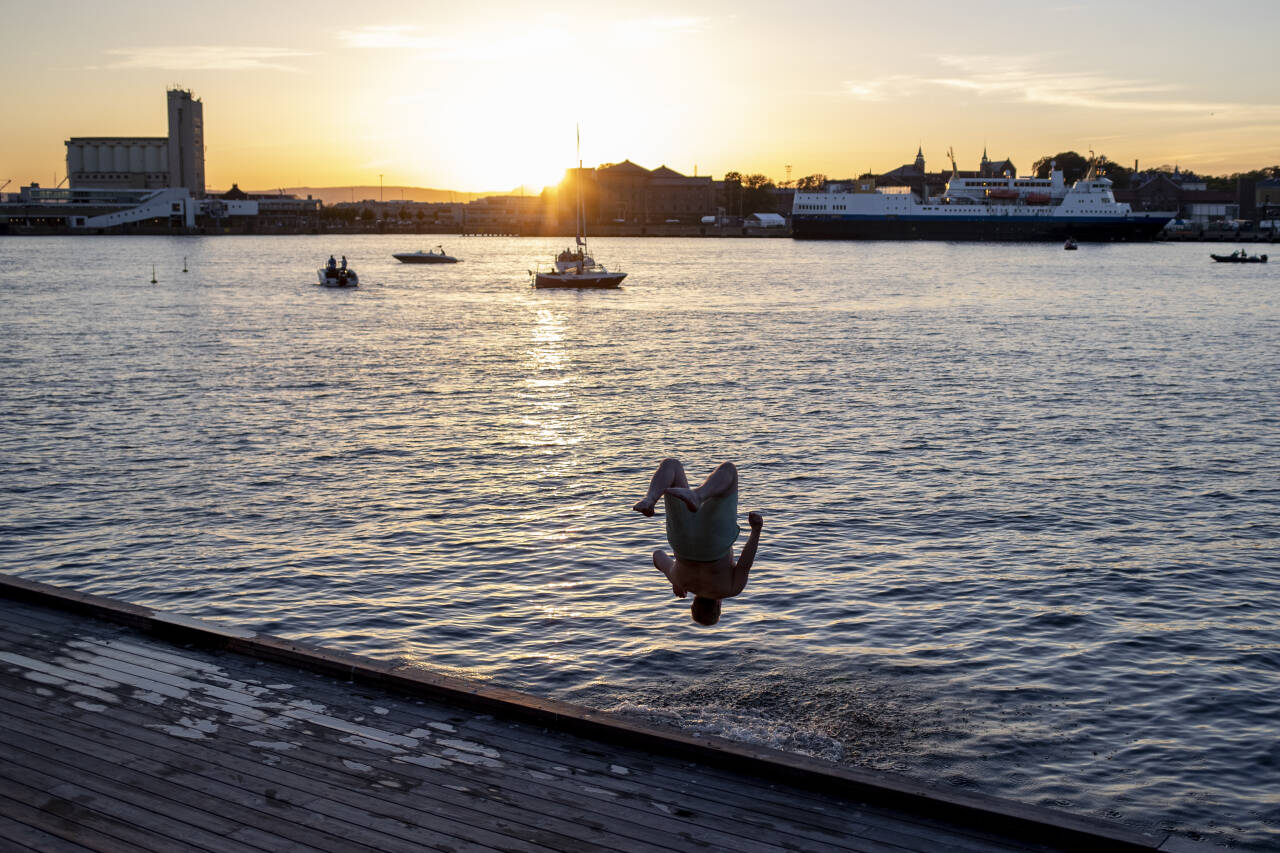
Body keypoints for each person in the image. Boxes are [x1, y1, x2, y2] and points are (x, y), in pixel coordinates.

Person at [632, 459, 763, 626]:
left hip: (715, 546)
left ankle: (698, 495)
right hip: (682, 544)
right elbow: (657, 555)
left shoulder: (730, 589)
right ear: (693, 603)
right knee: (671, 465)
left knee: (729, 470)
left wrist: (756, 530)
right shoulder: (679, 580)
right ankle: (650, 499)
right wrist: (673, 581)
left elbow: (745, 564)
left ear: (719, 605)